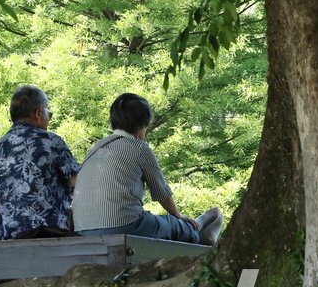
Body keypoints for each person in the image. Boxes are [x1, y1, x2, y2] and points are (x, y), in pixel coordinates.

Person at [72, 92, 223, 246]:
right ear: (142, 125)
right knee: (169, 224)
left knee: (153, 221)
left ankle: (198, 227)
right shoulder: (139, 148)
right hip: (123, 225)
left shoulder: (95, 148)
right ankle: (198, 234)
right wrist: (177, 215)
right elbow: (161, 192)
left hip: (82, 229)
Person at [0, 84, 80, 241]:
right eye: (49, 114)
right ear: (38, 113)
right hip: (51, 240)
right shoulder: (51, 142)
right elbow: (79, 184)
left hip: (9, 246)